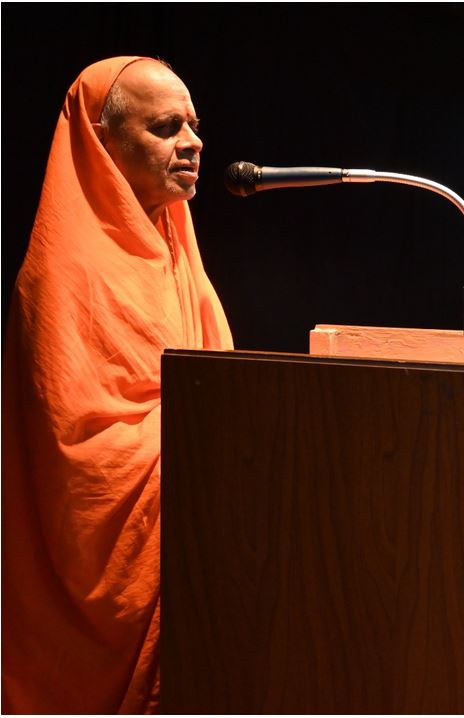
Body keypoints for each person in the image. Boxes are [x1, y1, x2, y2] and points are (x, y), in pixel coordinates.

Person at [2, 57, 232, 713]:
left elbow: (216, 387)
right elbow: (80, 460)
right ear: (100, 143)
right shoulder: (61, 274)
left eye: (193, 125)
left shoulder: (176, 249)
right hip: (105, 589)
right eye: (165, 127)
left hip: (197, 539)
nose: (192, 143)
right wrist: (212, 438)